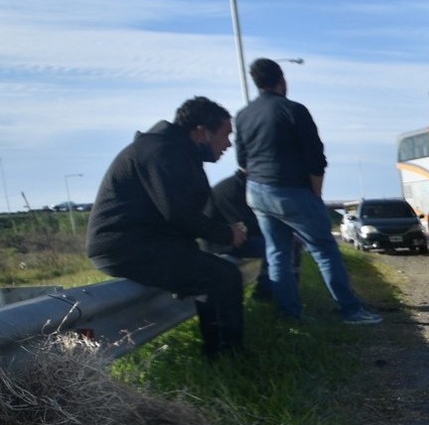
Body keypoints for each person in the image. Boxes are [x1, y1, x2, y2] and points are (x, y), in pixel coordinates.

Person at [85, 97, 248, 359]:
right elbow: (179, 215)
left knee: (215, 274)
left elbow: (176, 218)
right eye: (225, 135)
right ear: (201, 132)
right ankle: (228, 357)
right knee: (224, 277)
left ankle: (220, 353)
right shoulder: (162, 152)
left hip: (142, 245)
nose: (228, 144)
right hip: (125, 248)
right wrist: (228, 233)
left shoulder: (174, 150)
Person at [233, 58, 381, 324]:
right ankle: (351, 310)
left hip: (256, 190)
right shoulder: (294, 110)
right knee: (324, 248)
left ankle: (290, 316)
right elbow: (316, 158)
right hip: (289, 189)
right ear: (282, 81)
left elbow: (242, 162)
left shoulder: (243, 115)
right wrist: (316, 195)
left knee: (277, 251)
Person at [204, 169, 279, 301]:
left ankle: (275, 291)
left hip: (235, 238)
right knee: (276, 247)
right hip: (223, 243)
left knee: (281, 243)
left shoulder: (243, 186)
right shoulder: (231, 190)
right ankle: (265, 294)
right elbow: (244, 225)